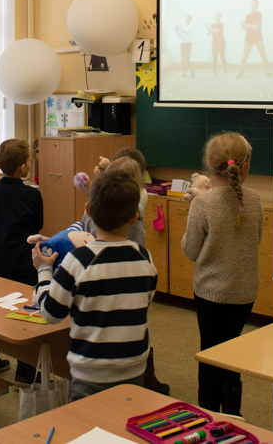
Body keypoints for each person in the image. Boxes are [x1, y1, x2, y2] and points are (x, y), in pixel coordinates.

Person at [34, 170, 158, 403]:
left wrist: (43, 271)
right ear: (134, 217)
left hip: (90, 372)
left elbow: (51, 314)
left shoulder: (78, 260)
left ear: (88, 211)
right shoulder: (145, 258)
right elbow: (145, 299)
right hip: (134, 368)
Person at [181, 132, 263, 416]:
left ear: (209, 166)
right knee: (232, 353)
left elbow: (190, 251)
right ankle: (232, 414)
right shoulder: (254, 200)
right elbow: (256, 240)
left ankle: (208, 413)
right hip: (245, 293)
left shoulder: (202, 203)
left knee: (210, 353)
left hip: (211, 294)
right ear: (244, 166)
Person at [79, 150, 171, 396]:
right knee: (135, 324)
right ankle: (144, 376)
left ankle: (144, 376)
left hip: (102, 276)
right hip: (128, 280)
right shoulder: (135, 214)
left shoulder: (81, 256)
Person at [0, 138, 43, 378]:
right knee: (27, 312)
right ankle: (25, 369)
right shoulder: (31, 196)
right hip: (24, 263)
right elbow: (37, 227)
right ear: (23, 168)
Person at [237, 0, 272, 78]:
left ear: (257, 5)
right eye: (251, 3)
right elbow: (244, 28)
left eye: (254, 3)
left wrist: (245, 24)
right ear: (249, 5)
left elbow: (257, 26)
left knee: (263, 56)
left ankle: (267, 72)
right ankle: (240, 73)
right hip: (248, 39)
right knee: (244, 57)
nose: (252, 4)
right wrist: (242, 24)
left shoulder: (258, 14)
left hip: (258, 39)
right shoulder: (248, 15)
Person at [206, 12, 227, 77]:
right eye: (215, 16)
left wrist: (209, 27)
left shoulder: (221, 25)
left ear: (220, 18)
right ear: (214, 17)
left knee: (222, 58)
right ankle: (214, 73)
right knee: (215, 59)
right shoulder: (211, 25)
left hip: (221, 44)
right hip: (214, 45)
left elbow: (216, 31)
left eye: (218, 16)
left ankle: (226, 73)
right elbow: (208, 34)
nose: (216, 17)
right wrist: (208, 28)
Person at [174, 14, 195, 78]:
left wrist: (178, 27)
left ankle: (192, 73)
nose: (185, 19)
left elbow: (185, 31)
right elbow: (180, 36)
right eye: (185, 18)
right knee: (182, 60)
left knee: (187, 60)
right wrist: (177, 30)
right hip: (182, 44)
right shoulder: (184, 26)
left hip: (187, 44)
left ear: (190, 19)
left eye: (187, 18)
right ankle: (184, 73)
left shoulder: (191, 26)